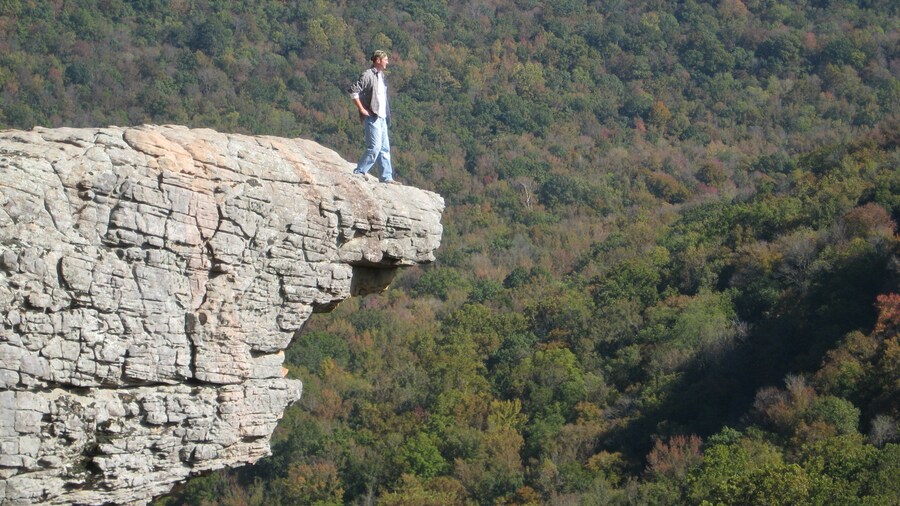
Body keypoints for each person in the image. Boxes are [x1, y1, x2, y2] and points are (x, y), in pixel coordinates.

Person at [348, 50, 399, 184]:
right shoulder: (368, 75)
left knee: (384, 149)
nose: (387, 62)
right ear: (378, 60)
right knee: (375, 147)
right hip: (373, 117)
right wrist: (361, 109)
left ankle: (386, 177)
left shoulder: (381, 76)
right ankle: (360, 171)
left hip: (382, 117)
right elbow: (353, 90)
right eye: (385, 59)